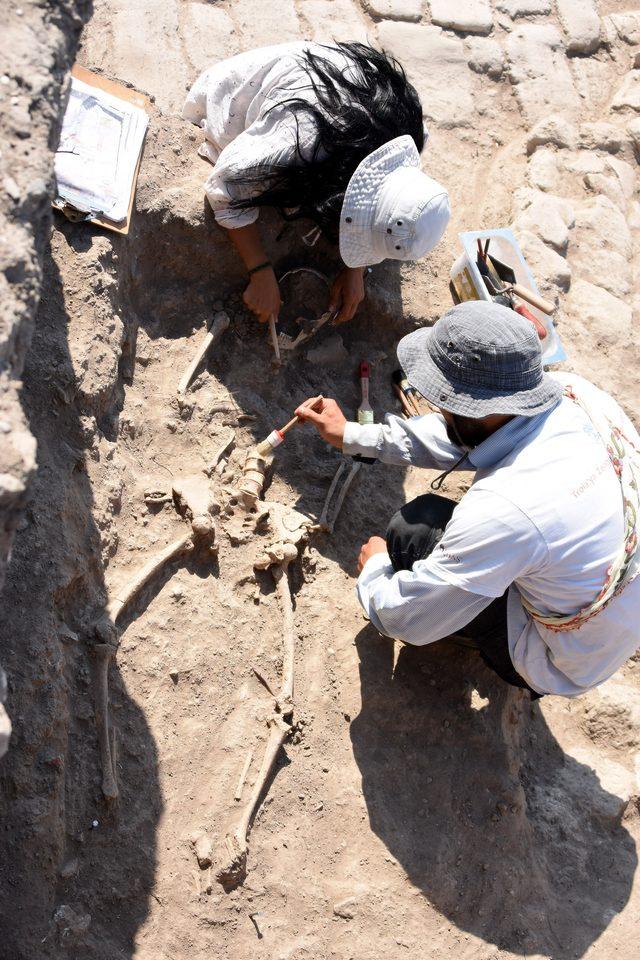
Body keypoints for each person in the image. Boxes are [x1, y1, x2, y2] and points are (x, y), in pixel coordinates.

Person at [295, 301, 640, 699]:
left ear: (470, 408)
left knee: (411, 534)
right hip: (609, 608)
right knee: (459, 534)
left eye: (443, 402)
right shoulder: (575, 393)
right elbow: (466, 436)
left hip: (564, 660)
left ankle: (506, 659)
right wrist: (355, 436)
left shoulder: (507, 509)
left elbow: (408, 620)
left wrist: (374, 571)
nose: (437, 408)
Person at [182, 42, 450, 325]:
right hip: (232, 97)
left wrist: (357, 268)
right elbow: (226, 185)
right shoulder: (298, 144)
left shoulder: (409, 136)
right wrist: (260, 271)